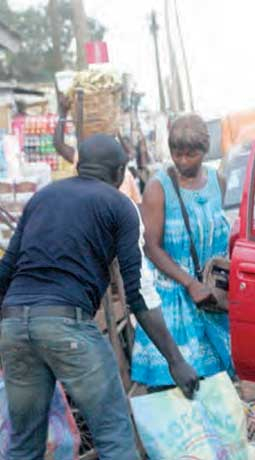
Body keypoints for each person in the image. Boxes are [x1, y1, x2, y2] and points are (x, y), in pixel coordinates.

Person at [0, 135, 199, 459]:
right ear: (121, 171)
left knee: (23, 445)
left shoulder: (42, 197)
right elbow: (136, 293)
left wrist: (11, 328)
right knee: (114, 437)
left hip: (14, 325)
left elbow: (6, 269)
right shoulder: (119, 205)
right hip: (68, 326)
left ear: (79, 165)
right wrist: (175, 360)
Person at [131, 114, 235, 390]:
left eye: (191, 154)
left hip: (212, 300)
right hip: (175, 298)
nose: (183, 161)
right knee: (176, 388)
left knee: (219, 387)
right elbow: (150, 245)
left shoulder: (218, 182)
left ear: (205, 151)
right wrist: (189, 282)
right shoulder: (158, 187)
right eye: (178, 154)